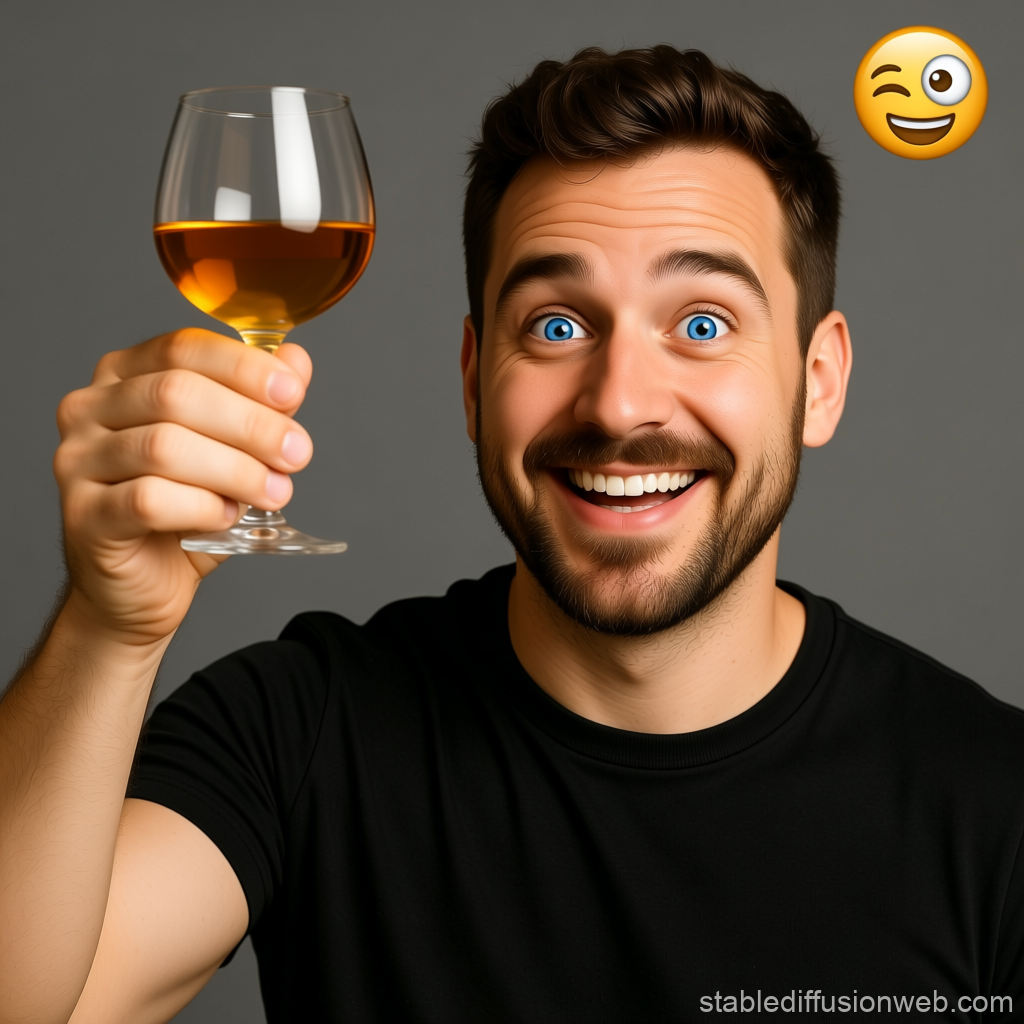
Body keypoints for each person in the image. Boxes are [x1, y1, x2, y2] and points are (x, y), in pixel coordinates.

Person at [2, 45, 1023, 1023]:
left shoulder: (992, 802)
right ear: (472, 377)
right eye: (556, 326)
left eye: (702, 323)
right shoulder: (301, 730)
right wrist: (108, 626)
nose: (619, 404)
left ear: (818, 380)